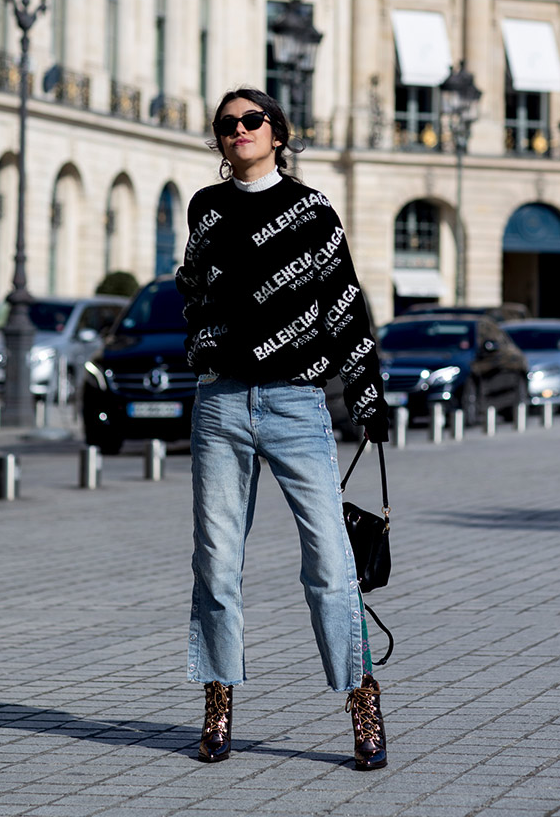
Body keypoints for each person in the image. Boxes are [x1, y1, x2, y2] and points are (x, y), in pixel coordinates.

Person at [176, 87, 390, 771]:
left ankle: (360, 696)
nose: (237, 131)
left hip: (297, 404)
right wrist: (207, 342)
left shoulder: (311, 211)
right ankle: (218, 699)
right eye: (226, 124)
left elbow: (344, 303)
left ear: (277, 131)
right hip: (221, 404)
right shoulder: (205, 209)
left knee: (329, 563)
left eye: (250, 120)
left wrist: (366, 395)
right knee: (216, 563)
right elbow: (190, 288)